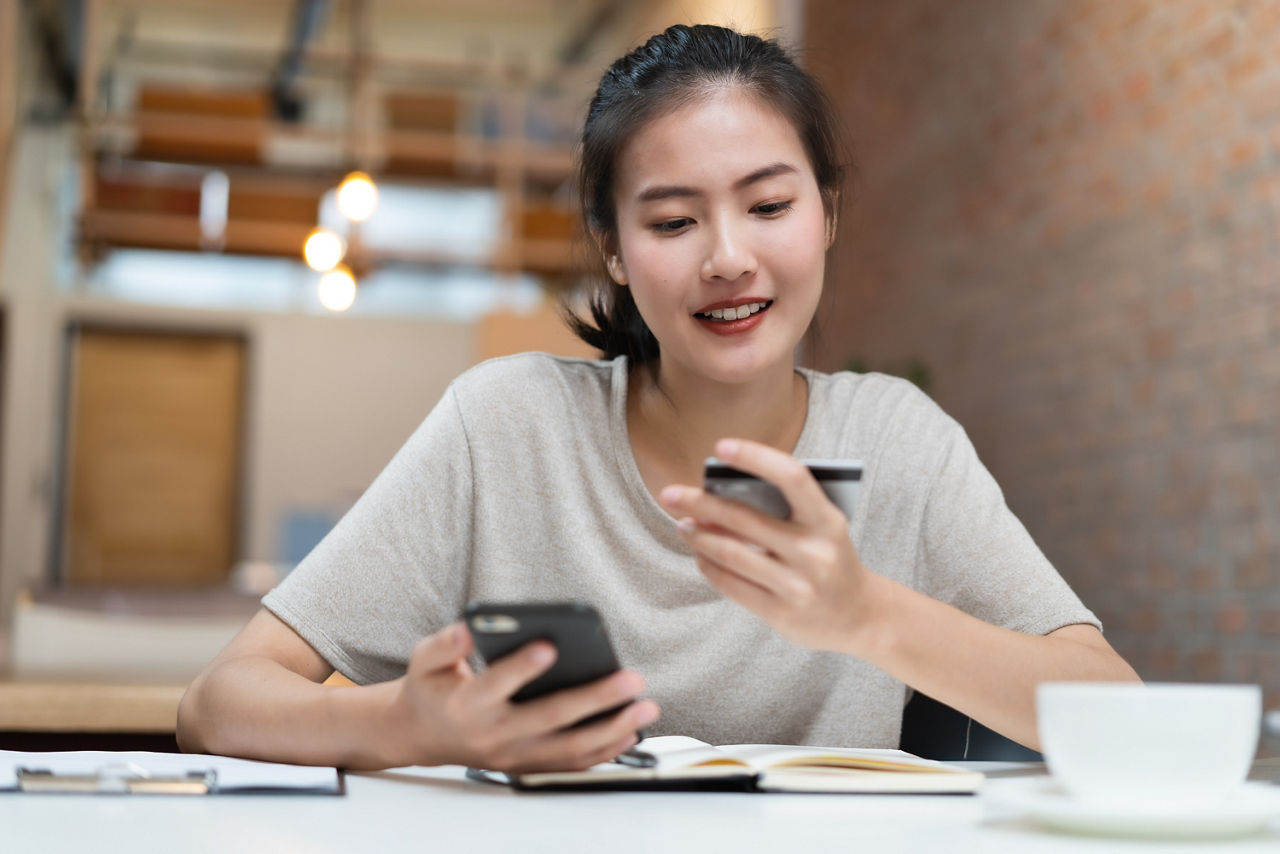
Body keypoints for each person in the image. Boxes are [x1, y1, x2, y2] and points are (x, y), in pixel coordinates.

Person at [177, 24, 1138, 772]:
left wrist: (861, 614)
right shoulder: (505, 425)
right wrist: (407, 722)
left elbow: (1112, 709)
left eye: (770, 206)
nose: (728, 258)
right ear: (614, 250)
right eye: (674, 220)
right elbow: (218, 703)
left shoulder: (899, 437)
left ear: (829, 212)